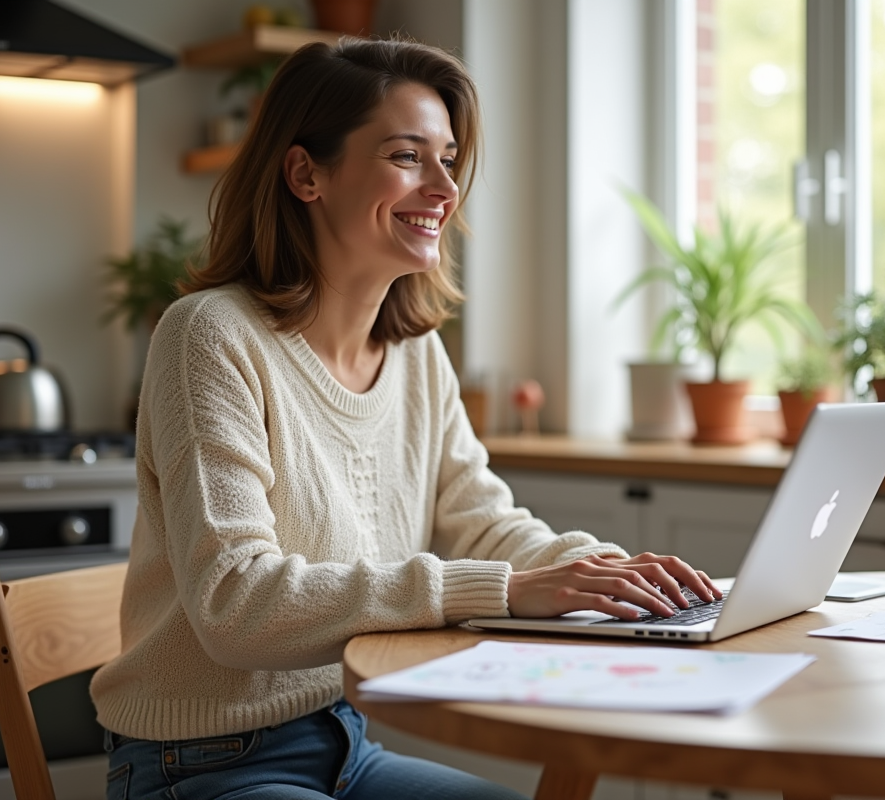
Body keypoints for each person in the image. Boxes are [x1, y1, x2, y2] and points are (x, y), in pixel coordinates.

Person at [90, 36, 721, 800]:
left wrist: (615, 575)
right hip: (198, 767)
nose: (444, 188)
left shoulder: (417, 354)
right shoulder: (210, 335)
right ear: (305, 173)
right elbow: (235, 604)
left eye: (448, 160)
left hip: (346, 746)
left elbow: (483, 523)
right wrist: (505, 590)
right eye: (407, 156)